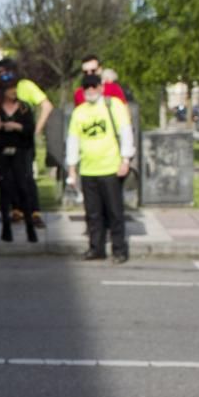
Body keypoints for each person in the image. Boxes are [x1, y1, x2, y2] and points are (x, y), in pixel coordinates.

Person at [67, 74, 135, 264]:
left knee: (114, 212)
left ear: (101, 87)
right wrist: (72, 167)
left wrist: (125, 160)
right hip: (89, 169)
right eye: (86, 87)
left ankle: (119, 249)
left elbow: (125, 132)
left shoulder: (113, 105)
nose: (90, 90)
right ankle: (96, 248)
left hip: (111, 168)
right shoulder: (79, 112)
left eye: (93, 86)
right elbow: (73, 140)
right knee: (93, 214)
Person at [0, 57, 52, 227]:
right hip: (4, 140)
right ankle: (17, 210)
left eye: (3, 73)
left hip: (22, 139)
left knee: (26, 176)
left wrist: (36, 129)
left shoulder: (26, 86)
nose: (1, 77)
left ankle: (33, 212)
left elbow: (47, 106)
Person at [0, 74, 38, 243]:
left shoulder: (24, 108)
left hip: (19, 152)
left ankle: (30, 228)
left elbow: (30, 129)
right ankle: (6, 228)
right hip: (0, 152)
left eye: (15, 87)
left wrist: (17, 126)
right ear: (2, 90)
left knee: (23, 187)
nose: (13, 91)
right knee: (5, 188)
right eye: (10, 88)